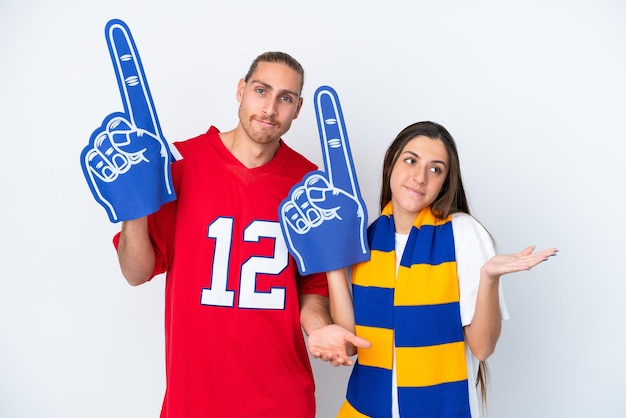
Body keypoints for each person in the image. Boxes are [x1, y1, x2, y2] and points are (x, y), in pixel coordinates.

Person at [114, 51, 361, 418]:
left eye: (285, 98)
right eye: (261, 90)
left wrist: (320, 328)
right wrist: (132, 205)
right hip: (194, 398)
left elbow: (310, 292)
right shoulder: (182, 163)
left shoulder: (311, 189)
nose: (270, 107)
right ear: (241, 90)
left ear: (298, 108)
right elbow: (136, 272)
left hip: (280, 400)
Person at [327, 121, 558, 418]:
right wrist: (331, 261)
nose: (420, 177)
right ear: (390, 164)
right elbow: (348, 347)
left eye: (435, 169)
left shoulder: (462, 234)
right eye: (411, 161)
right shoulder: (365, 240)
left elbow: (483, 348)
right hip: (364, 408)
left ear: (445, 182)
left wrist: (489, 277)